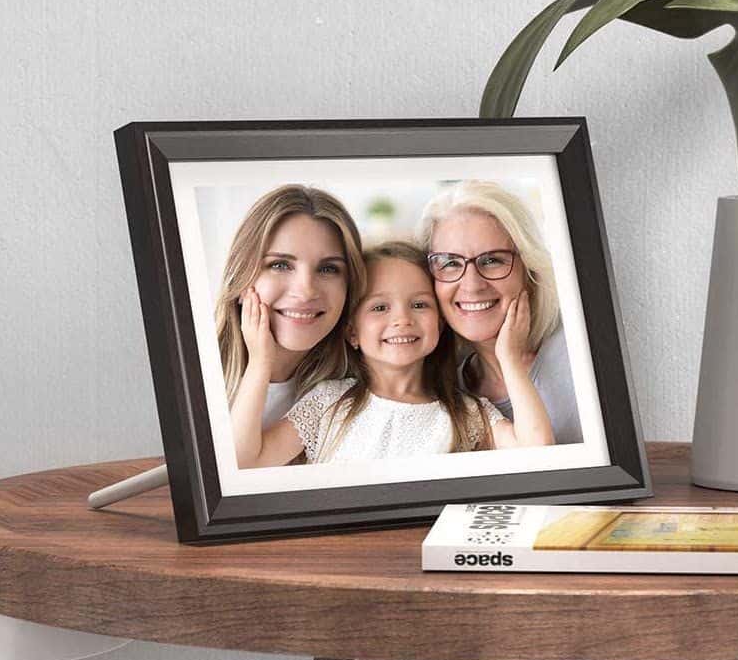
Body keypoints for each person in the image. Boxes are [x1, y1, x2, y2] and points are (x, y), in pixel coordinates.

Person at [232, 241, 554, 467]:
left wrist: (509, 360)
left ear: (440, 323)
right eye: (379, 307)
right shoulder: (327, 402)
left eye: (419, 304)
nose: (402, 319)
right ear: (352, 331)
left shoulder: (467, 414)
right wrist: (260, 362)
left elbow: (539, 454)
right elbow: (244, 461)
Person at [417, 180, 583, 444]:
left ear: (529, 270)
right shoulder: (446, 396)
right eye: (450, 263)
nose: (472, 285)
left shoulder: (578, 350)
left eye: (492, 260)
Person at [215, 184, 366, 437]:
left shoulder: (353, 393)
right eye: (280, 265)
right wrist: (260, 364)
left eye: (328, 269)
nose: (306, 291)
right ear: (241, 276)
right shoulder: (195, 371)